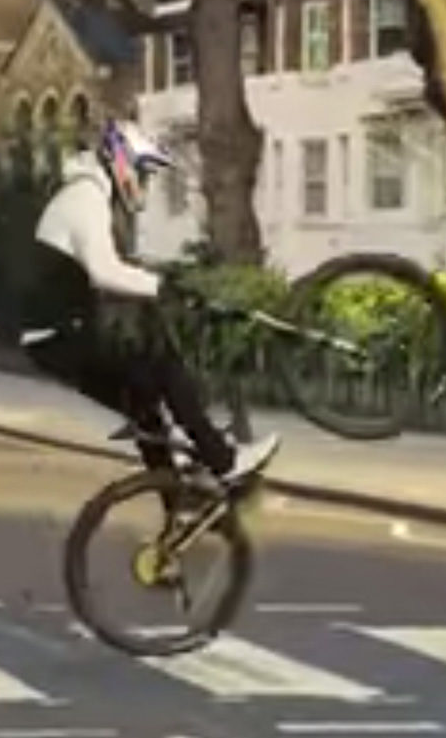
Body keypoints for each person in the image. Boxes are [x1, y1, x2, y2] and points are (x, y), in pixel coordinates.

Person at [17, 120, 278, 481]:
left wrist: (159, 284)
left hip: (55, 340)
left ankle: (177, 507)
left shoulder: (92, 195)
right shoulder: (85, 198)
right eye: (144, 173)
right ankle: (223, 460)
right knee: (160, 360)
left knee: (145, 409)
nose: (146, 184)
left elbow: (114, 269)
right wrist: (163, 289)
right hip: (59, 339)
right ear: (122, 161)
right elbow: (104, 271)